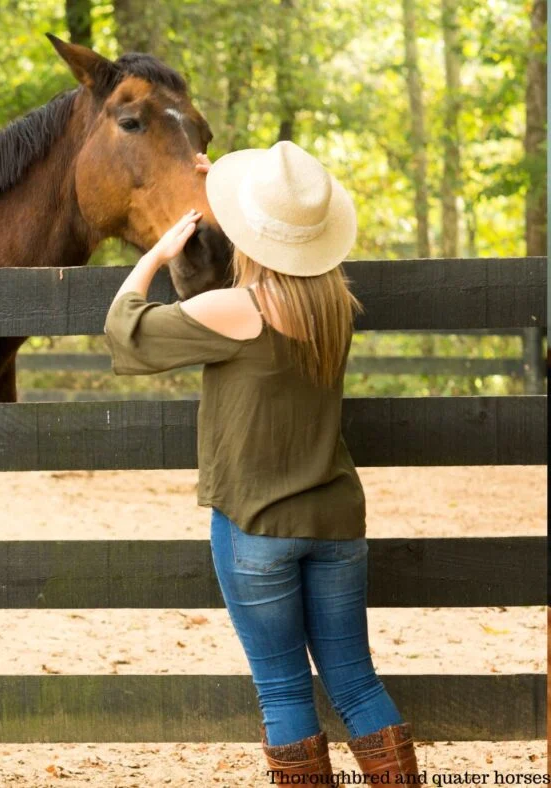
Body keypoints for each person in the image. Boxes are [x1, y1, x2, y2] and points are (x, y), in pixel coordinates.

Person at [103, 141, 418, 782]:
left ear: (253, 233)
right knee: (356, 683)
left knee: (283, 692)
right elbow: (286, 236)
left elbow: (126, 331)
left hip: (256, 527)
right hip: (335, 524)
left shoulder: (233, 310)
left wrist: (157, 254)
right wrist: (215, 174)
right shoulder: (337, 308)